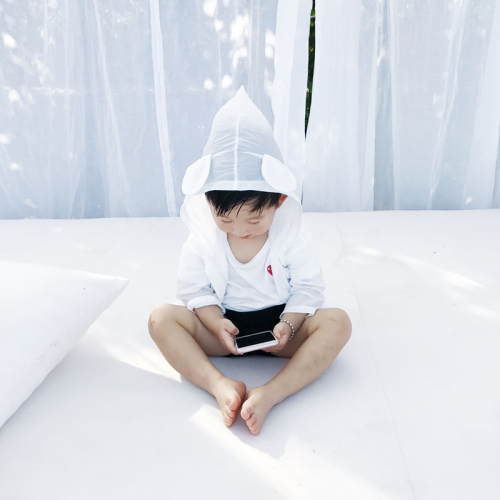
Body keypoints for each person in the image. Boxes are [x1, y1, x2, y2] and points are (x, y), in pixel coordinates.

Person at [148, 87, 351, 435]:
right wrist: (215, 323)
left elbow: (307, 288)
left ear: (279, 201)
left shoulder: (292, 236)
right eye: (225, 220)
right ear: (208, 204)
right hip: (223, 330)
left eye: (254, 220)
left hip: (281, 331)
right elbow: (195, 290)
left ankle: (272, 392)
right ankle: (219, 385)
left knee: (338, 322)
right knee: (161, 319)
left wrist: (288, 326)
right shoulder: (203, 239)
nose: (240, 231)